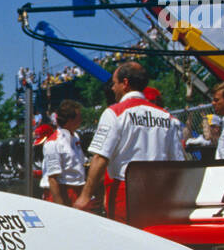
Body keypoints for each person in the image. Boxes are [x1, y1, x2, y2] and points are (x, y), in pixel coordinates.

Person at [74, 62, 185, 221]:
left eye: (114, 83)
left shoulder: (114, 113)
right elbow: (177, 163)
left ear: (125, 83)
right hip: (160, 194)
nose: (112, 88)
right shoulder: (168, 117)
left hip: (126, 193)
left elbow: (100, 157)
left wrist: (84, 197)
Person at [43, 100, 85, 205]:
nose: (81, 120)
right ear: (70, 120)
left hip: (78, 189)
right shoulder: (53, 143)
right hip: (62, 192)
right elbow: (52, 179)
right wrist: (60, 207)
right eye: (79, 118)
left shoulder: (75, 137)